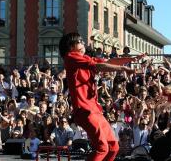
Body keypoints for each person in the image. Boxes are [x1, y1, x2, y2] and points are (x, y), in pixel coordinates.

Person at [59, 32, 141, 161]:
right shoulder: (70, 57)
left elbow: (108, 62)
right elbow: (100, 66)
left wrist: (129, 60)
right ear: (71, 46)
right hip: (84, 110)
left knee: (113, 147)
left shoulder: (85, 58)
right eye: (80, 41)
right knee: (102, 147)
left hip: (94, 110)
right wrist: (123, 69)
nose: (83, 43)